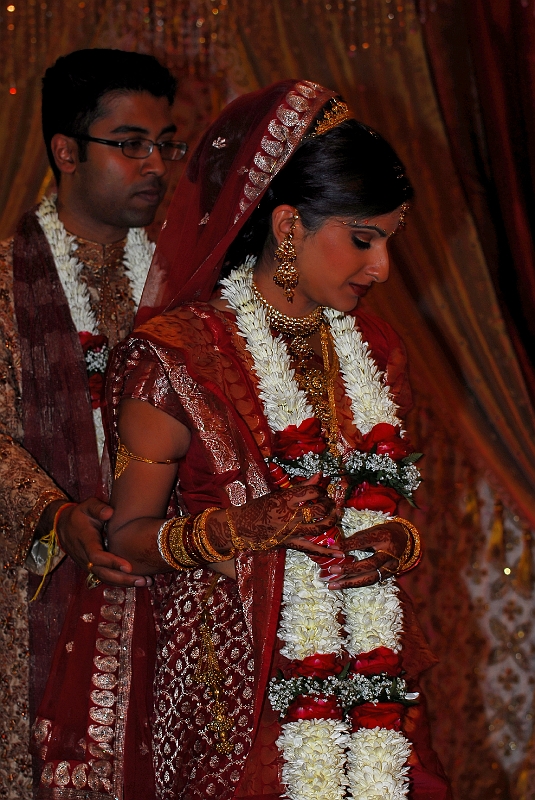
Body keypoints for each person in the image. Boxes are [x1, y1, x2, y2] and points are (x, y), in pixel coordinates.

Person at [34, 80, 451, 799]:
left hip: (367, 685)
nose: (381, 267)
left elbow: (391, 503)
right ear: (287, 226)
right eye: (362, 239)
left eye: (389, 241)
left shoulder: (377, 349)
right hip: (231, 695)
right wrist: (243, 528)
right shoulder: (176, 354)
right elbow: (126, 537)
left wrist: (395, 543)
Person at [0, 48, 187, 798]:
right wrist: (55, 516)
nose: (155, 165)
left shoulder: (189, 290)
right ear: (67, 151)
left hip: (170, 588)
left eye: (165, 144)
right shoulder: (4, 283)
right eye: (131, 144)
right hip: (28, 599)